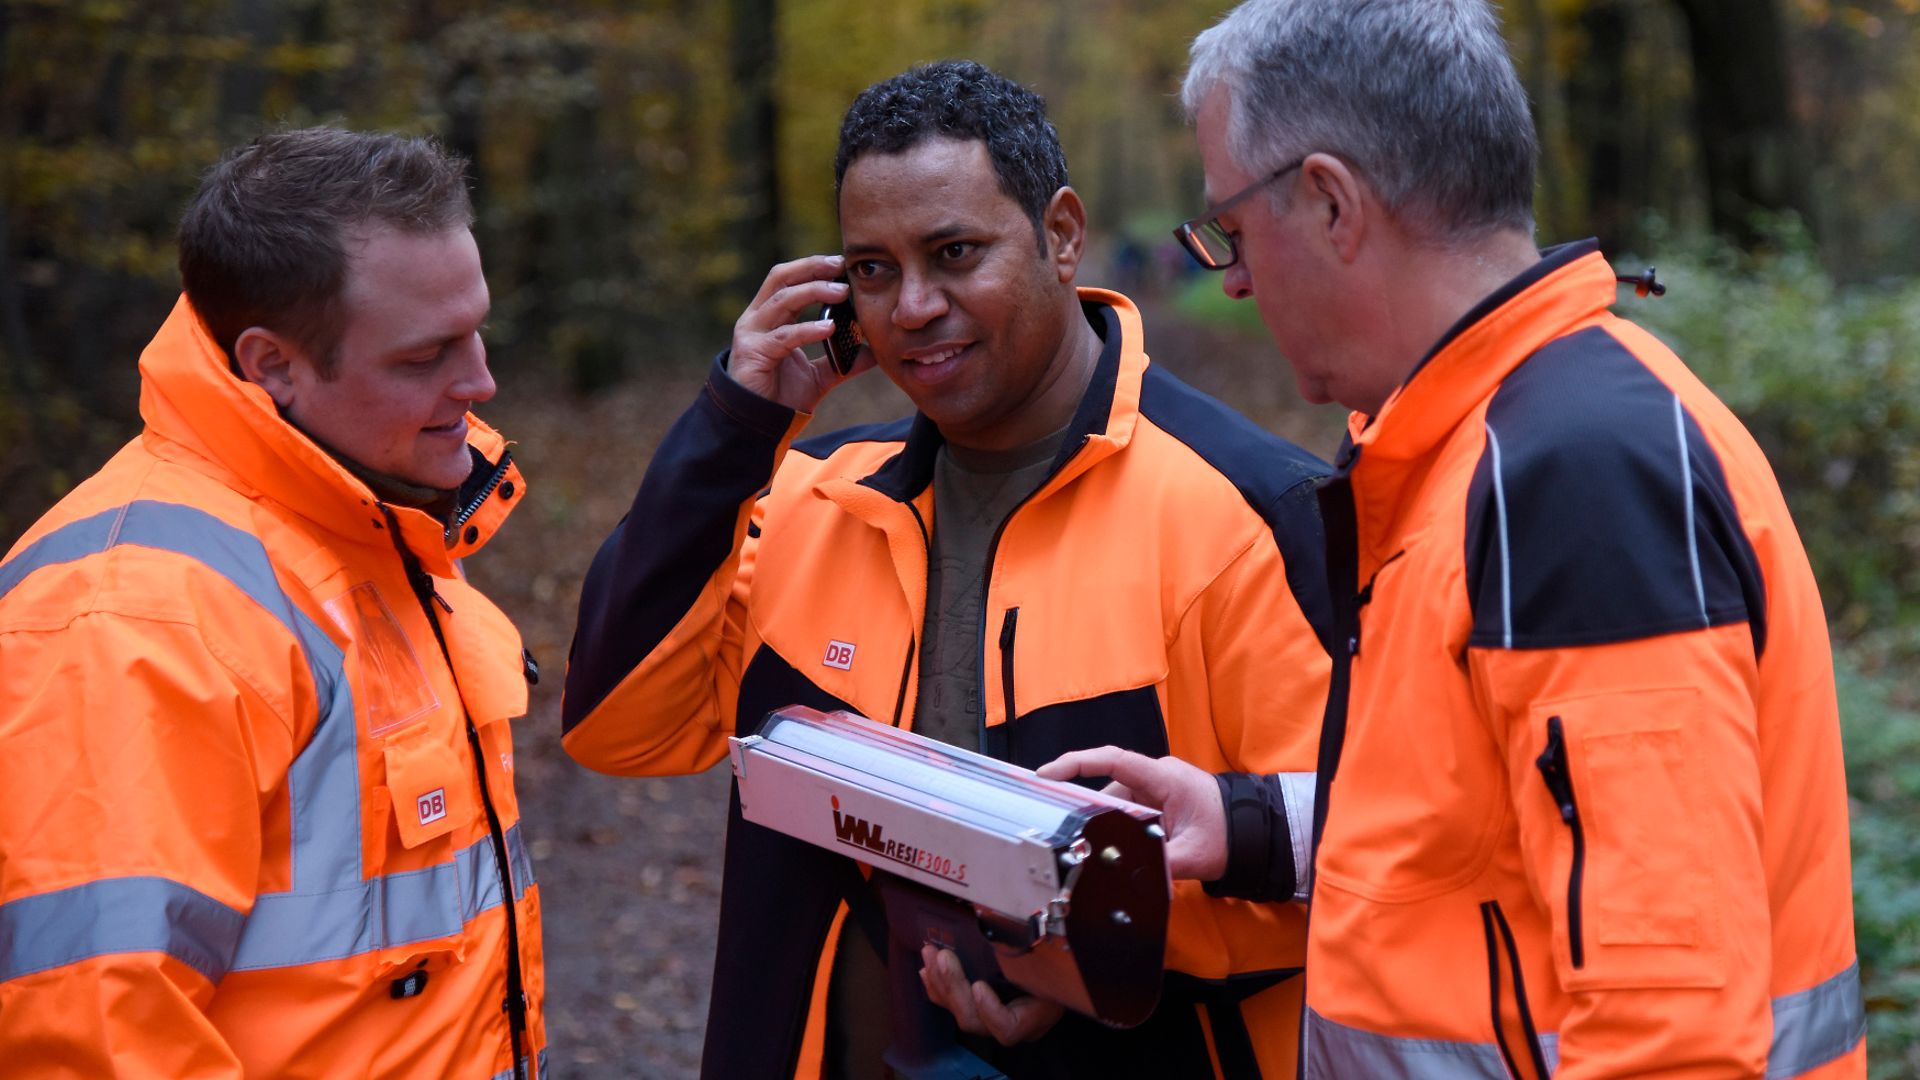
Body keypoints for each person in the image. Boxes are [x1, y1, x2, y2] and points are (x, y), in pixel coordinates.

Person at [1047, 1, 1867, 1077]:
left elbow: (1669, 1027)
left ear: (1332, 202)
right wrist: (1247, 825)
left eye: (1231, 234)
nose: (1231, 278)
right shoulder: (1473, 447)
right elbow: (1499, 819)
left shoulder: (1575, 476)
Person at [562, 60, 1331, 1079]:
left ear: (1062, 234)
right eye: (872, 270)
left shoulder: (1249, 513)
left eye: (955, 253)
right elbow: (618, 725)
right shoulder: (807, 493)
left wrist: (1083, 965)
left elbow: (1355, 866)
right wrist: (732, 429)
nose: (912, 306)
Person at [0, 129, 547, 1078]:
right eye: (426, 356)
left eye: (476, 331)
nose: (480, 381)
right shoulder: (134, 617)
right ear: (273, 364)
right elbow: (93, 1038)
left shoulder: (374, 523)